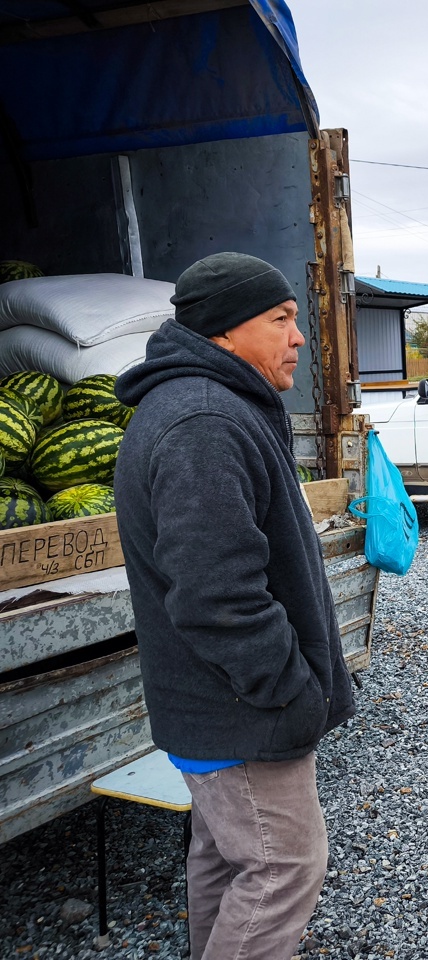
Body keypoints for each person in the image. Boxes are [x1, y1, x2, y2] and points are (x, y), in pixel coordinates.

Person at [114, 252, 356, 960]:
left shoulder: (216, 406)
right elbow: (218, 596)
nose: (300, 336)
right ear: (224, 332)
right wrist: (292, 693)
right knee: (285, 867)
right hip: (240, 713)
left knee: (224, 857)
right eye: (281, 319)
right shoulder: (202, 424)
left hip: (215, 708)